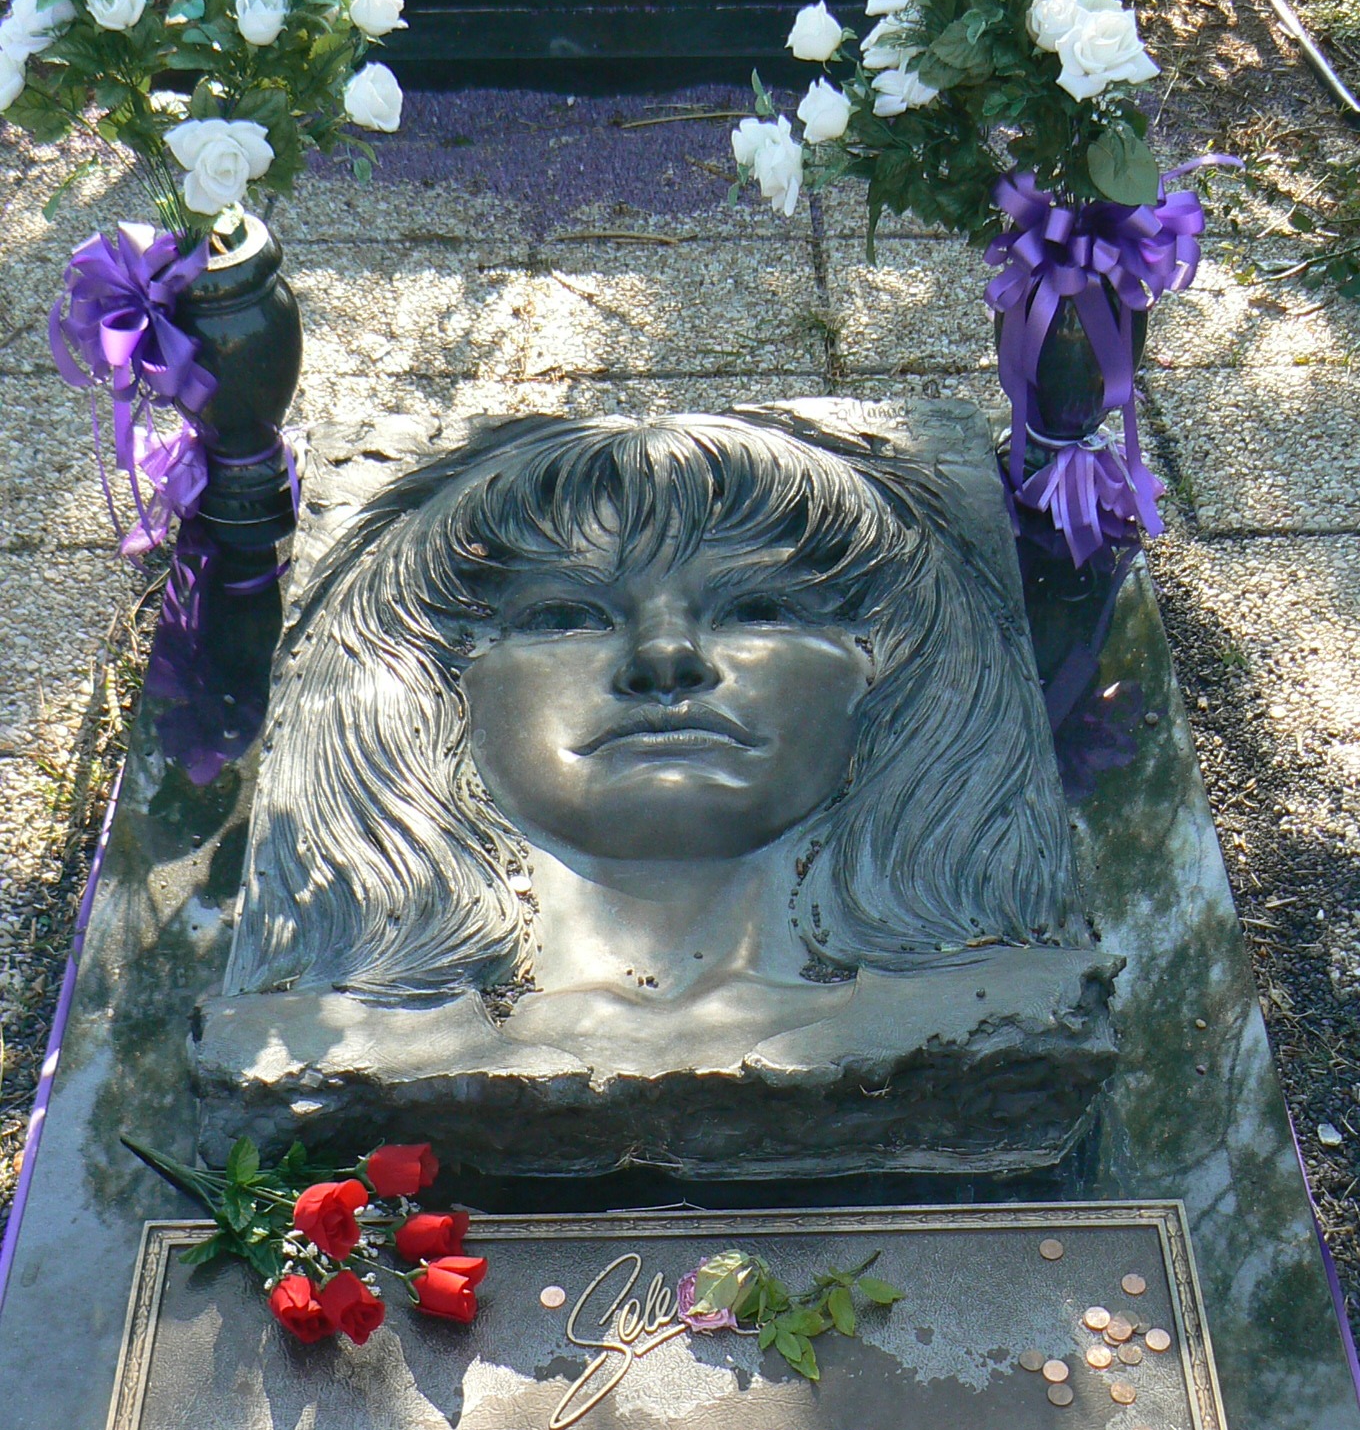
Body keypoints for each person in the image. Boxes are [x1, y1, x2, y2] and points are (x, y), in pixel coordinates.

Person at [224, 408, 1083, 1073]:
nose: (665, 658)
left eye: (758, 609)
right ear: (443, 687)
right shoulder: (308, 1032)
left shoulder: (999, 999)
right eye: (564, 617)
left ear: (884, 665)